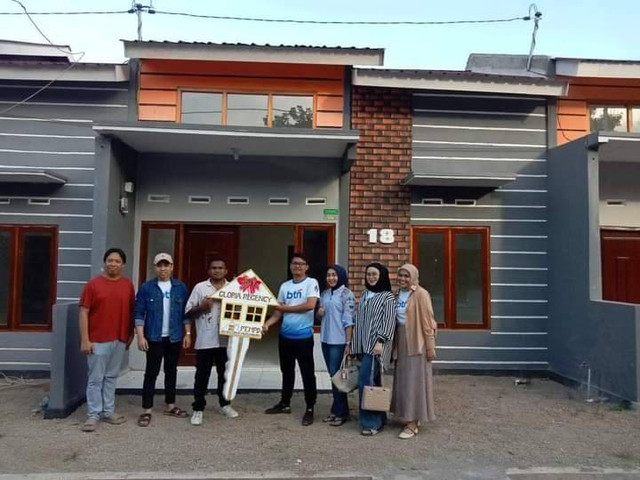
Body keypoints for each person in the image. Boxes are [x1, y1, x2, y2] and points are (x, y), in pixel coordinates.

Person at [78, 248, 135, 432]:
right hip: (97, 339)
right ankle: (93, 415)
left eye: (117, 261)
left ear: (123, 265)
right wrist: (85, 339)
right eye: (110, 260)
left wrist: (131, 334)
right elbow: (84, 312)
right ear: (105, 263)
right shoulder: (93, 285)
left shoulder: (128, 285)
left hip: (119, 339)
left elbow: (131, 311)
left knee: (111, 377)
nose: (113, 264)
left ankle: (109, 411)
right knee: (95, 379)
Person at [262, 252, 320, 426]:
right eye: (295, 263)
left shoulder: (311, 283)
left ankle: (310, 408)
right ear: (290, 266)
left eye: (302, 264)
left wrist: (286, 308)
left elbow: (310, 305)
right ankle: (284, 403)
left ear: (307, 267)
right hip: (285, 337)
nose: (298, 266)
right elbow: (278, 311)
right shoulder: (285, 286)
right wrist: (268, 323)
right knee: (286, 372)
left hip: (303, 337)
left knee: (307, 374)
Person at [134, 253, 191, 427]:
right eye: (160, 265)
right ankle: (147, 409)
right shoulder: (147, 288)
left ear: (172, 267)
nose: (163, 269)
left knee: (171, 371)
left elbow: (185, 313)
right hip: (153, 337)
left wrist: (188, 334)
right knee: (151, 373)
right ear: (155, 267)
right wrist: (140, 336)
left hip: (174, 337)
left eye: (166, 265)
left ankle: (170, 405)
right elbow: (138, 313)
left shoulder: (180, 287)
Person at [185, 258, 239, 426]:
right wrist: (202, 307)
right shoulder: (200, 288)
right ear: (209, 271)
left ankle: (225, 404)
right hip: (205, 340)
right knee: (202, 376)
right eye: (214, 268)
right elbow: (188, 312)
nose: (217, 270)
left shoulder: (234, 288)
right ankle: (198, 409)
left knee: (225, 376)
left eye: (220, 268)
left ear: (226, 270)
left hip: (227, 341)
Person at [390, 264, 437, 439]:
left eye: (406, 276)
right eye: (400, 275)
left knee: (415, 382)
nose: (402, 279)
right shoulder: (396, 294)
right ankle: (405, 415)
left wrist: (430, 347)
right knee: (403, 380)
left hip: (417, 342)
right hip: (401, 340)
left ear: (414, 277)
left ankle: (413, 422)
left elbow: (428, 322)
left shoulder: (421, 294)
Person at [351, 262, 396, 436]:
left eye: (374, 274)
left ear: (382, 276)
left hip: (376, 346)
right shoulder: (364, 294)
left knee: (365, 382)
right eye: (368, 274)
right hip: (362, 344)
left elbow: (389, 321)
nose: (371, 277)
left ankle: (370, 423)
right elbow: (359, 320)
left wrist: (380, 341)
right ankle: (380, 418)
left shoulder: (387, 297)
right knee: (373, 381)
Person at [316, 264, 355, 426]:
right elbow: (321, 317)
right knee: (333, 378)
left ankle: (340, 412)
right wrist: (319, 314)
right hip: (325, 339)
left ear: (341, 276)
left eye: (334, 275)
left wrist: (348, 343)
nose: (331, 278)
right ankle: (337, 410)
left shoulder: (347, 294)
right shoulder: (324, 294)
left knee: (337, 378)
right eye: (328, 275)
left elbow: (349, 321)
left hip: (338, 341)